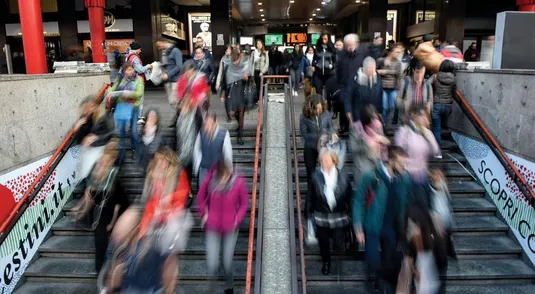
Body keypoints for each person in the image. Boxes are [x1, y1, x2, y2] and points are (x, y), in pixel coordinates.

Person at [352, 146, 412, 293]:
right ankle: (372, 279)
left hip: (392, 228)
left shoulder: (404, 178)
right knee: (373, 260)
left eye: (405, 164)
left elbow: (407, 202)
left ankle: (381, 283)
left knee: (387, 262)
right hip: (373, 225)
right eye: (401, 163)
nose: (404, 167)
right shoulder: (372, 176)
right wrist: (358, 226)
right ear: (391, 161)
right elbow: (359, 200)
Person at [72, 141, 130, 272]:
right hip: (103, 214)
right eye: (102, 164)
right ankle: (102, 271)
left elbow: (119, 204)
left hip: (111, 214)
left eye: (106, 163)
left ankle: (111, 270)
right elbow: (93, 193)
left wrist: (113, 222)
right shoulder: (100, 176)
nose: (103, 165)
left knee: (109, 242)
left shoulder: (113, 177)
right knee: (101, 241)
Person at [196, 160, 249, 294]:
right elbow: (200, 197)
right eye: (221, 175)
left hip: (231, 227)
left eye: (226, 175)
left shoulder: (238, 181)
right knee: (212, 264)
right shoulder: (211, 179)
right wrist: (204, 214)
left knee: (227, 262)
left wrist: (237, 219)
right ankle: (211, 289)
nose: (223, 179)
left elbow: (244, 203)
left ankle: (229, 286)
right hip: (213, 226)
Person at [307, 149, 351, 276]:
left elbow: (349, 194)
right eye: (322, 160)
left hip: (339, 214)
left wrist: (350, 212)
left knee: (338, 242)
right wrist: (308, 212)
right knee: (323, 240)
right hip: (321, 213)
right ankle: (326, 262)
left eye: (327, 160)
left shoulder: (343, 175)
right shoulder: (316, 175)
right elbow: (311, 195)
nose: (324, 163)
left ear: (334, 160)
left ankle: (338, 243)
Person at [300, 94, 334, 220]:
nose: (319, 110)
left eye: (320, 108)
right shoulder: (305, 116)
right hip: (310, 148)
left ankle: (319, 205)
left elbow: (330, 128)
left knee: (323, 176)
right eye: (317, 108)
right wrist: (318, 137)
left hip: (323, 148)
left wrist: (330, 135)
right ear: (312, 107)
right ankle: (309, 208)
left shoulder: (326, 114)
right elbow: (304, 133)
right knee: (312, 177)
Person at [394, 106, 440, 188]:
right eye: (422, 115)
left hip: (422, 177)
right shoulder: (404, 131)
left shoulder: (427, 133)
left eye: (426, 115)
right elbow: (397, 154)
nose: (425, 118)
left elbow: (435, 152)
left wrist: (429, 136)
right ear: (414, 116)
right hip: (406, 177)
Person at [73, 96, 115, 183]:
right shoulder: (83, 119)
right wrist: (77, 129)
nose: (86, 111)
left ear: (94, 106)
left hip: (101, 151)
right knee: (87, 174)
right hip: (88, 152)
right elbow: (80, 140)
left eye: (88, 108)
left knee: (98, 174)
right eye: (84, 109)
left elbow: (112, 134)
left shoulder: (106, 116)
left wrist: (97, 138)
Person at [109, 62, 145, 163]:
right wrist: (115, 91)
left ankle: (135, 150)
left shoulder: (139, 80)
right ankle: (122, 153)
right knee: (121, 131)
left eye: (130, 69)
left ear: (134, 69)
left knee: (133, 130)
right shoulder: (121, 79)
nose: (129, 72)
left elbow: (139, 94)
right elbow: (113, 90)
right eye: (126, 70)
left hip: (133, 107)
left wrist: (129, 94)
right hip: (122, 107)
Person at [349, 104, 390, 182]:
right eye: (372, 119)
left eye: (375, 118)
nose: (374, 121)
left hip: (377, 163)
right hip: (362, 165)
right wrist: (368, 146)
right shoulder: (355, 128)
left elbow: (383, 141)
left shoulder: (378, 125)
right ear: (366, 119)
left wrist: (383, 141)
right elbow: (352, 147)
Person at [193, 112, 233, 186]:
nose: (207, 127)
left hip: (218, 170)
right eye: (205, 125)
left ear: (215, 123)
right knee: (203, 191)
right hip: (204, 169)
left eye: (209, 124)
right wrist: (197, 167)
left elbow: (228, 152)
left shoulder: (224, 133)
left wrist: (229, 170)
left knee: (216, 193)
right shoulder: (201, 132)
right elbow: (196, 150)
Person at [339, 33, 370, 123]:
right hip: (345, 84)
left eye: (350, 45)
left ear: (356, 43)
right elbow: (339, 69)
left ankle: (358, 125)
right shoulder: (342, 54)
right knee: (344, 105)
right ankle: (344, 126)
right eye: (347, 45)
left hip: (358, 84)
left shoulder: (363, 52)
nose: (349, 47)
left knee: (357, 105)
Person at [343, 57, 383, 123]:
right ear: (366, 68)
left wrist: (380, 112)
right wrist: (348, 111)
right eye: (372, 69)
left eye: (374, 69)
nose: (374, 71)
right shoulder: (355, 79)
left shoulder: (377, 78)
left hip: (373, 115)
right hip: (359, 115)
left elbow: (380, 96)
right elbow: (348, 96)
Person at [225, 49, 250, 145]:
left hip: (241, 93)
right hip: (232, 93)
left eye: (237, 60)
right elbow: (225, 80)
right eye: (234, 60)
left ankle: (240, 135)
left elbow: (249, 82)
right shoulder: (228, 68)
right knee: (234, 114)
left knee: (241, 115)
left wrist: (246, 79)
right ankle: (239, 126)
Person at [431, 60, 456, 149]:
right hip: (448, 107)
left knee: (436, 128)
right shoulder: (453, 78)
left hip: (438, 105)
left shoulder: (436, 76)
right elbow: (454, 92)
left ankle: (437, 149)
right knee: (441, 126)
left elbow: (427, 84)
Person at [125, 42, 152, 123]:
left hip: (130, 80)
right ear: (136, 49)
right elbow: (140, 69)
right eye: (139, 49)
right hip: (137, 81)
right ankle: (138, 117)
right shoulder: (134, 58)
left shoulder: (128, 56)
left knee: (133, 99)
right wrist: (148, 66)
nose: (140, 50)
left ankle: (135, 116)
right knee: (139, 99)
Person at [377, 45, 402, 124]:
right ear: (391, 52)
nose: (398, 54)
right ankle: (383, 123)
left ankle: (388, 122)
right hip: (383, 87)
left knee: (392, 107)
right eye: (396, 52)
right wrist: (379, 71)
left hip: (393, 88)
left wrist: (385, 71)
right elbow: (375, 70)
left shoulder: (397, 62)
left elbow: (398, 73)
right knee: (384, 107)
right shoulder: (381, 60)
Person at [156, 38, 183, 107]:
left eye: (159, 46)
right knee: (172, 102)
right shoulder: (165, 52)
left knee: (176, 102)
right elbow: (168, 64)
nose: (158, 48)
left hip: (175, 80)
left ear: (164, 42)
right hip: (168, 80)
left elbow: (179, 66)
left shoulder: (175, 51)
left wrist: (168, 74)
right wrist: (161, 65)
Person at [216, 44, 234, 121]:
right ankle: (228, 115)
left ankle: (233, 112)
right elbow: (220, 71)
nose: (228, 51)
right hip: (225, 81)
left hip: (234, 81)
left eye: (229, 50)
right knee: (226, 99)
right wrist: (217, 83)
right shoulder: (223, 59)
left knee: (232, 98)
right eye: (227, 50)